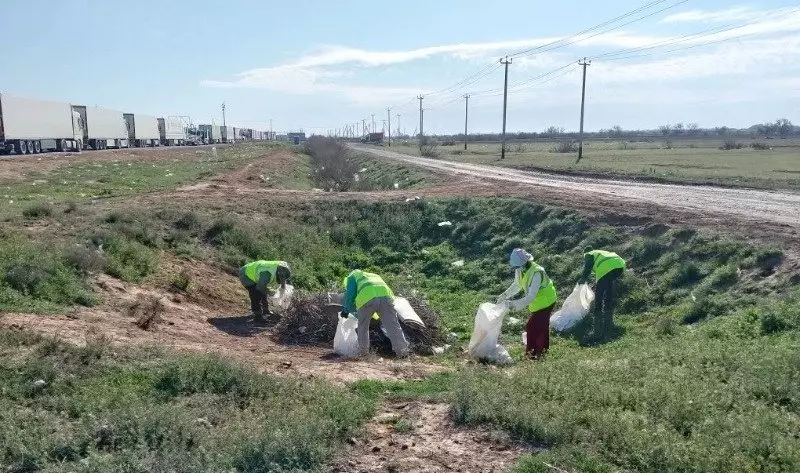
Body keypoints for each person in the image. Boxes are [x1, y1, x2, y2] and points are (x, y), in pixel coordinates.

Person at [498, 248, 558, 359]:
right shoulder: (520, 269)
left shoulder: (537, 272)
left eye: (517, 267)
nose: (515, 269)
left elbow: (531, 296)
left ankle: (531, 354)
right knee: (542, 327)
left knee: (531, 327)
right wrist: (504, 295)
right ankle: (542, 351)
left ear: (523, 263)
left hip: (546, 301)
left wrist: (513, 305)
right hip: (538, 303)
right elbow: (517, 285)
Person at [340, 269, 410, 357]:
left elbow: (350, 294)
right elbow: (379, 297)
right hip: (386, 298)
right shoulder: (373, 275)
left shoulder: (352, 277)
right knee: (393, 325)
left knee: (363, 327)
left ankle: (363, 353)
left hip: (367, 299)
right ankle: (403, 353)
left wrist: (346, 310)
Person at [579, 248, 626, 338]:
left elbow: (588, 266)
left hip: (606, 267)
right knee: (608, 289)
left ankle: (598, 317)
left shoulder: (588, 254)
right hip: (620, 265)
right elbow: (601, 277)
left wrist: (583, 278)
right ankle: (608, 313)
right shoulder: (600, 253)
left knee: (599, 294)